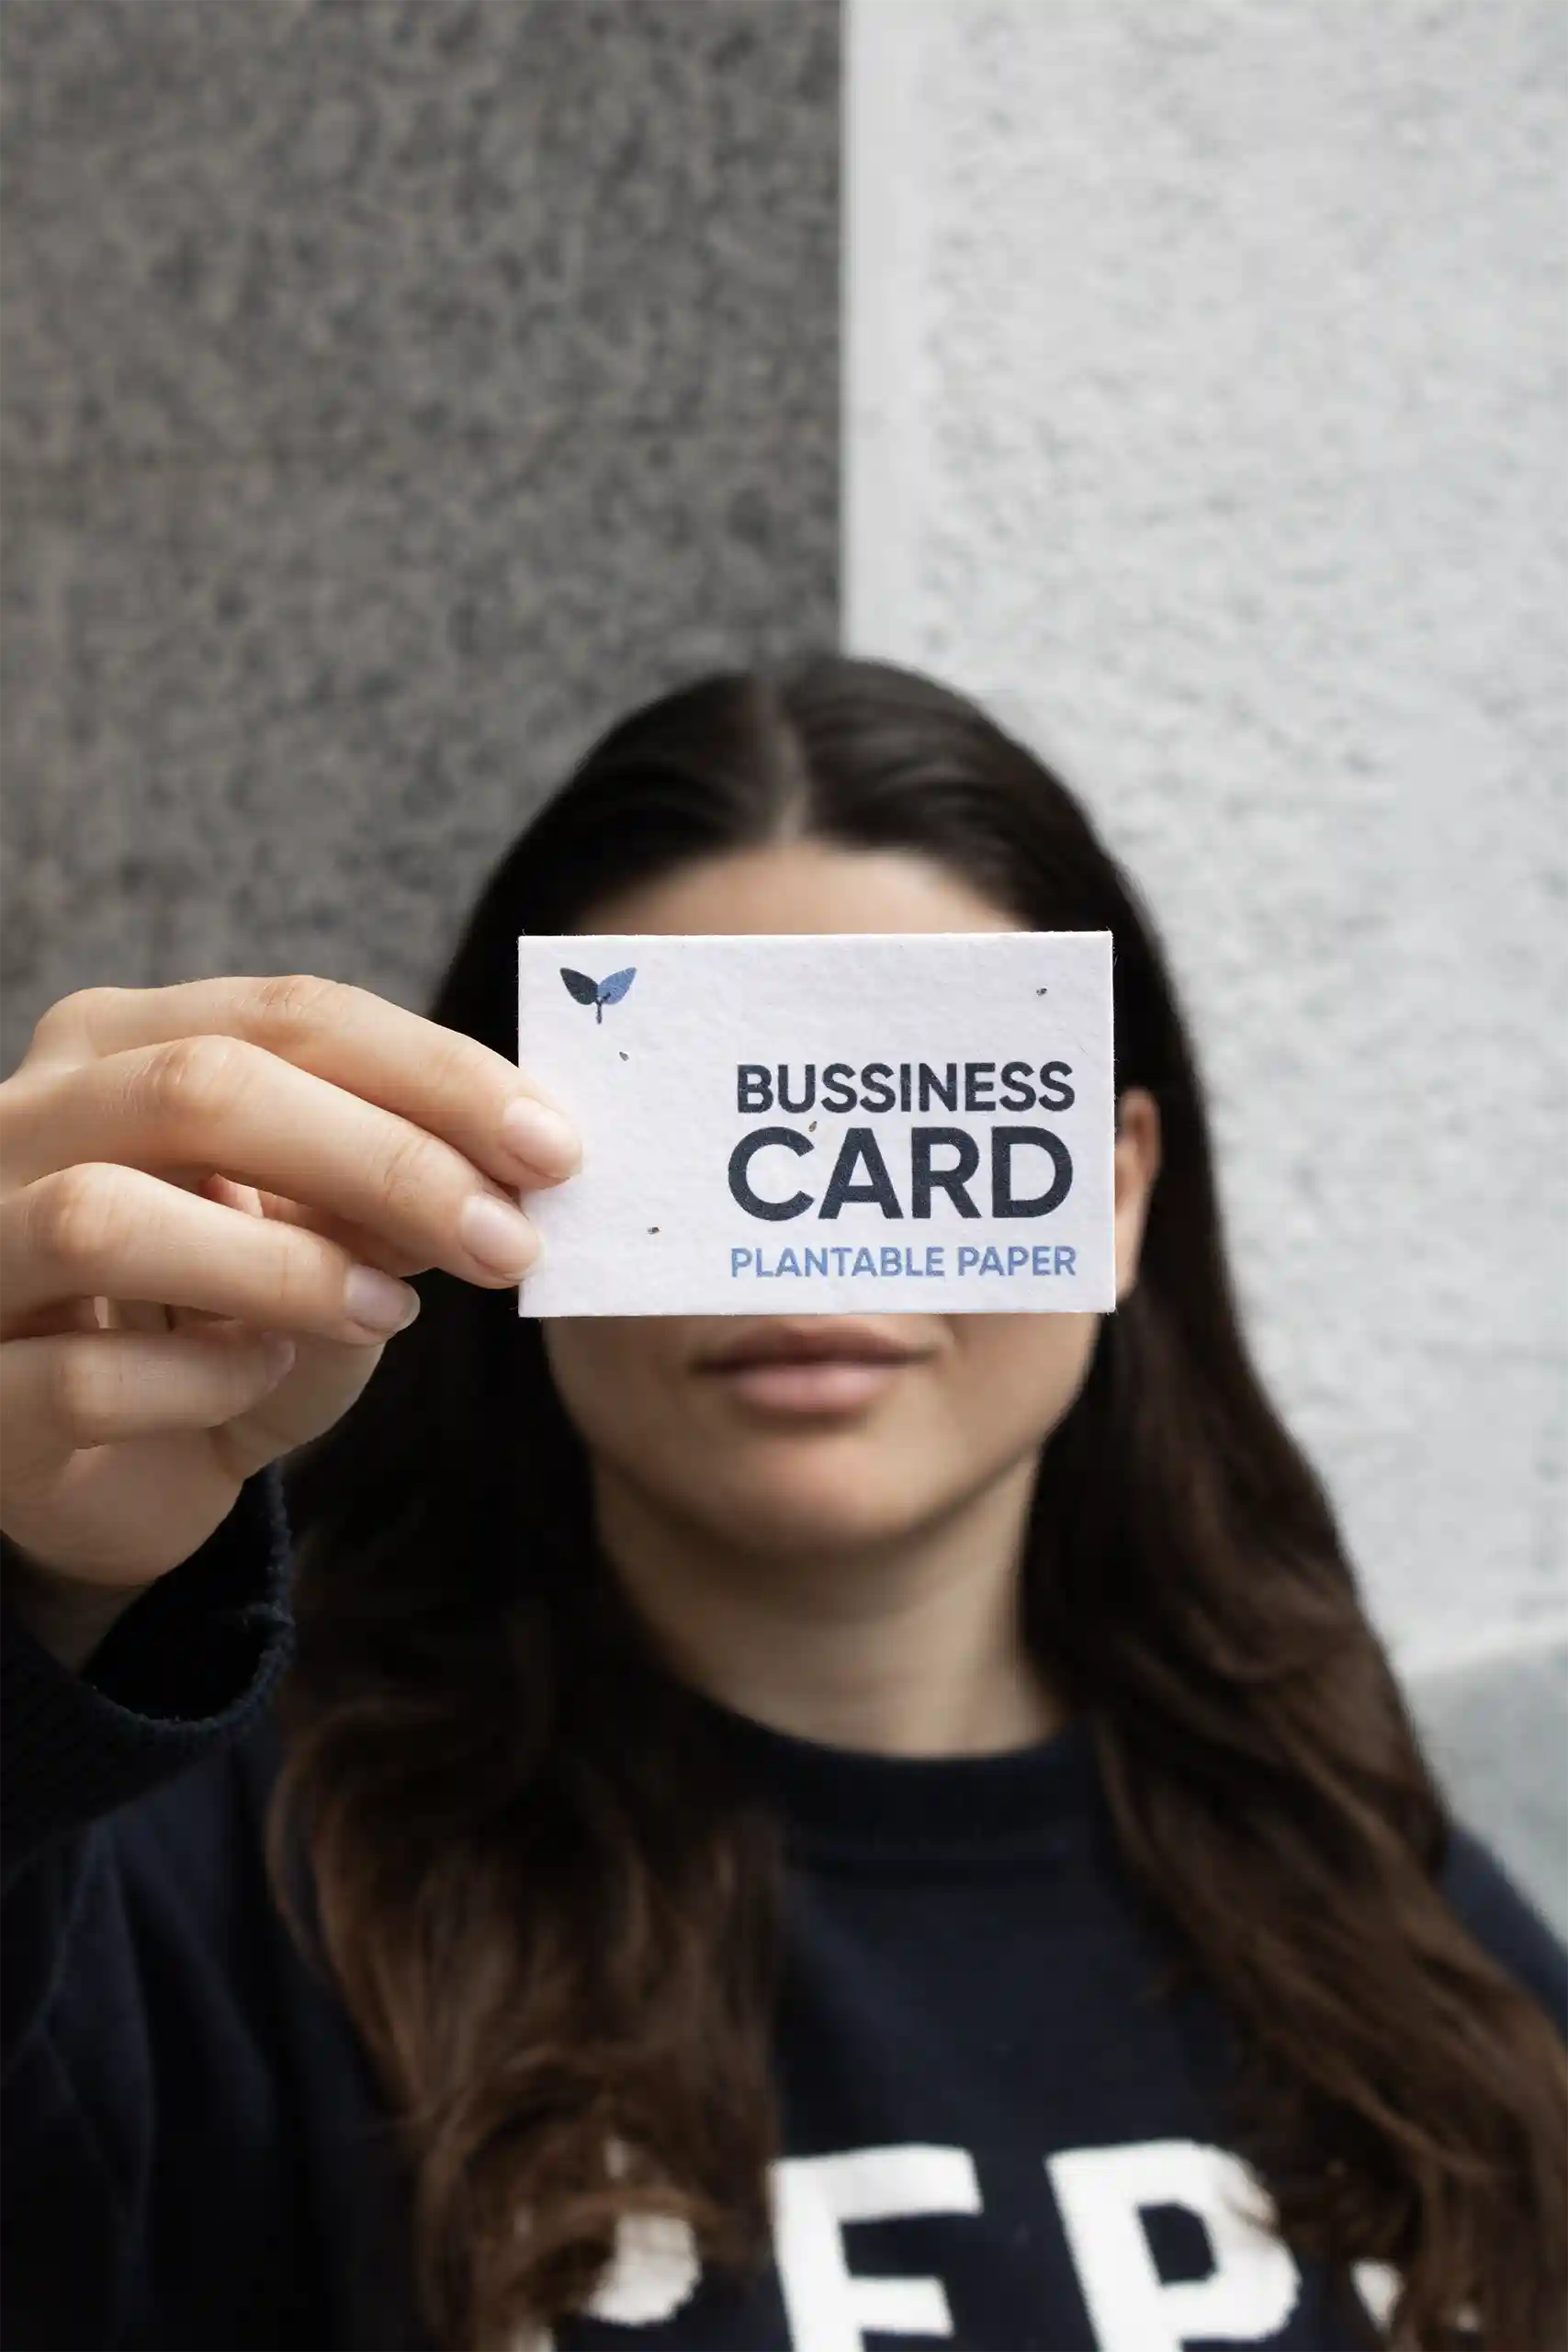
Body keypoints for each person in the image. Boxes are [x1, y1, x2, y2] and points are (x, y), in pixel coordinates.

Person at [1, 655, 1565, 2352]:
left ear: (1111, 1193)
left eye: (916, 1083)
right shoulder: (206, 1880)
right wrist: (35, 1621)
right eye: (697, 1114)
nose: (816, 1246)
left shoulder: (1376, 1891)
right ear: (492, 1184)